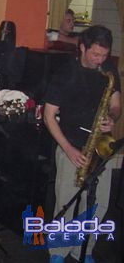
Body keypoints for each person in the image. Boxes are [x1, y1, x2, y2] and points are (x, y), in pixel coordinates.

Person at [43, 25, 121, 263]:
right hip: (72, 146)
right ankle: (58, 253)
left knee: (99, 203)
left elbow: (116, 104)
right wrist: (68, 150)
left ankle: (84, 251)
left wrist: (112, 118)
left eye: (104, 55)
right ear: (83, 48)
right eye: (95, 54)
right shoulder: (66, 73)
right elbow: (48, 115)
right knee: (67, 203)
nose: (100, 60)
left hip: (100, 146)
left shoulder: (108, 70)